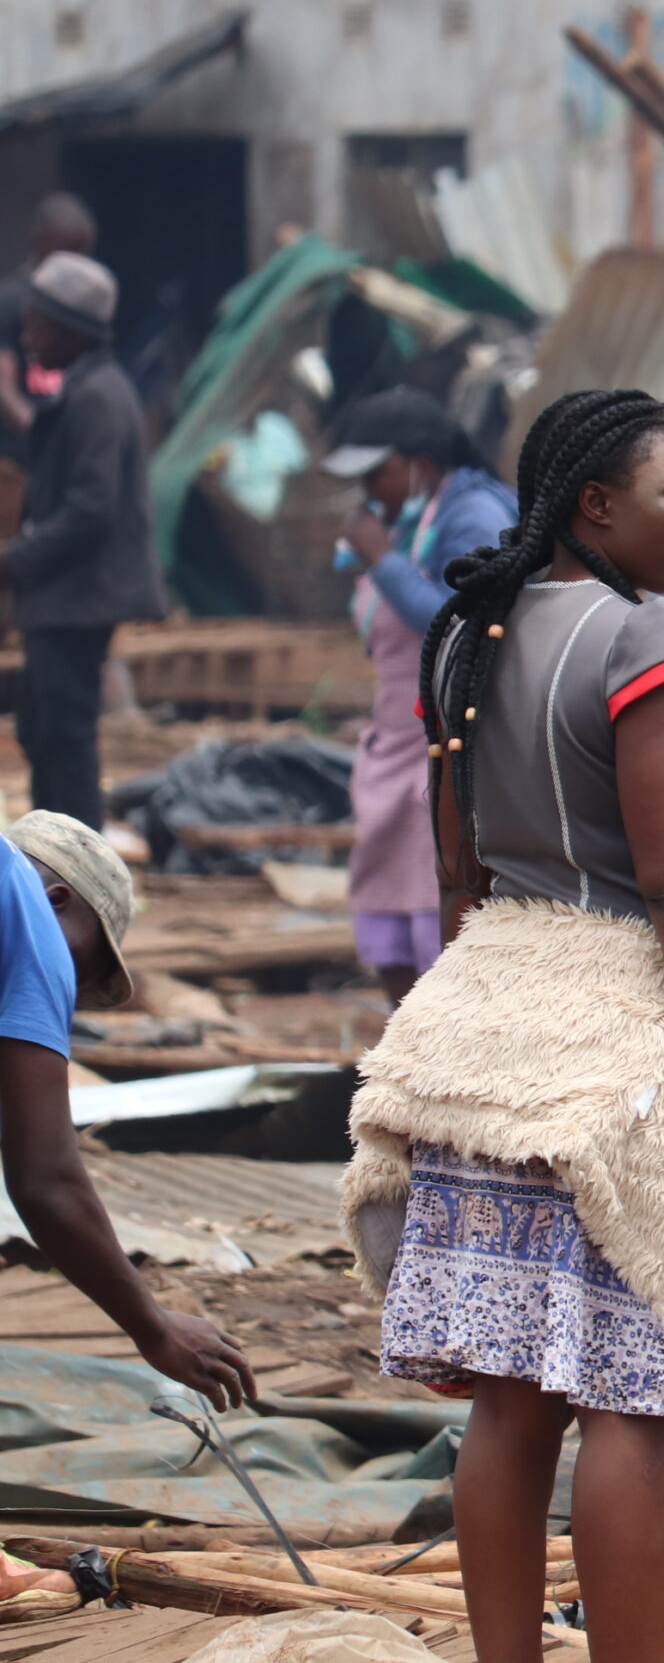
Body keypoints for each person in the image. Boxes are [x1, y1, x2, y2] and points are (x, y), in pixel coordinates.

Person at [347, 389, 664, 1663]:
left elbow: (461, 880)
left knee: (510, 1402)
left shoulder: (478, 635)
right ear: (596, 505)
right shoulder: (648, 639)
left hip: (489, 1031)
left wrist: (494, 1027)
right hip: (623, 1061)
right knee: (639, 1405)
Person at [0, 811, 256, 1407]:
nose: (67, 990)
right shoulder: (33, 919)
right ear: (58, 900)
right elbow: (46, 1179)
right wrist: (154, 1325)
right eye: (81, 970)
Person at [321, 389, 516, 1003]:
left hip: (449, 740)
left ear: (420, 462)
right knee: (389, 891)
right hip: (399, 734)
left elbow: (462, 625)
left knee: (435, 894)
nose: (369, 488)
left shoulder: (473, 514)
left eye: (377, 472)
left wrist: (383, 560)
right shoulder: (416, 514)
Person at [1, 253, 166, 829]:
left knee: (64, 738)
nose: (26, 337)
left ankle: (74, 872)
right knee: (42, 730)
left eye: (36, 325)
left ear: (72, 331)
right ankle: (52, 862)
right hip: (62, 600)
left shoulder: (98, 397)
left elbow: (90, 511)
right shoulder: (86, 389)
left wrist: (14, 561)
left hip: (78, 599)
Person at [0, 192, 98, 462]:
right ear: (42, 241)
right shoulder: (10, 302)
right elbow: (4, 388)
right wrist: (43, 438)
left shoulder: (81, 310)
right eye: (69, 250)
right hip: (16, 462)